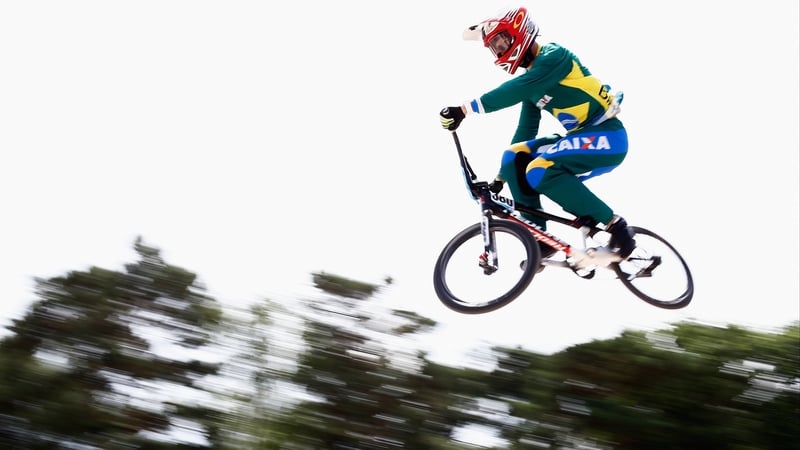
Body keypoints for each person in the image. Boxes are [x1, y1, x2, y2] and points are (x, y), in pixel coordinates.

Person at [439, 6, 636, 258]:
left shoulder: (553, 56)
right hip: (580, 138)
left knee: (539, 169)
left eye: (501, 41)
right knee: (514, 157)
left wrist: (465, 109)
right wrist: (501, 179)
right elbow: (526, 130)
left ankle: (616, 226)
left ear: (520, 31)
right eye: (494, 48)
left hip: (609, 136)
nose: (499, 50)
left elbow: (515, 88)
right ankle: (539, 236)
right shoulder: (532, 85)